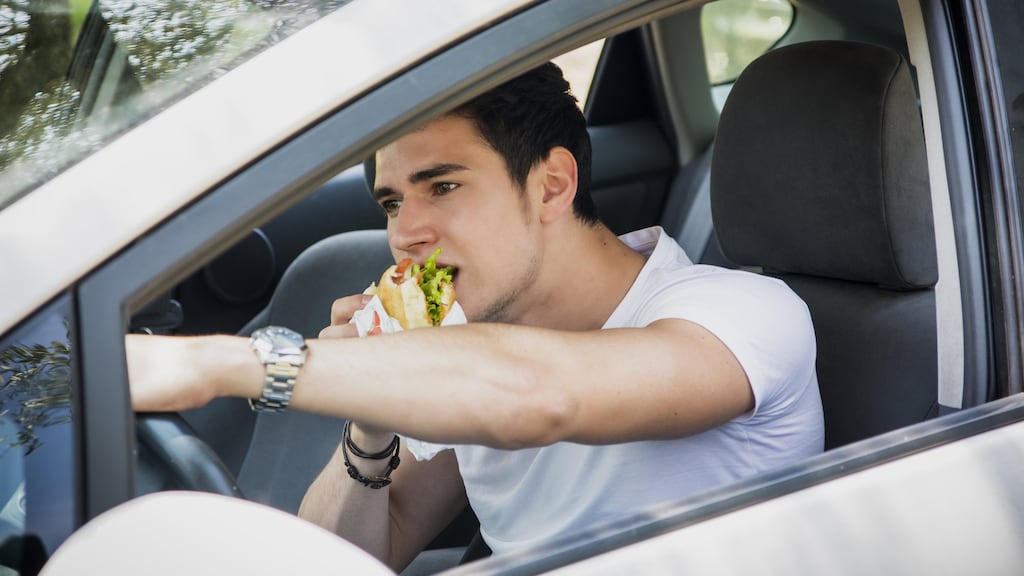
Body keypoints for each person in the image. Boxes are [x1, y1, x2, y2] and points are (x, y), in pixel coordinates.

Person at [127, 62, 823, 571]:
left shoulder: (740, 313)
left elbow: (542, 395)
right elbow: (345, 560)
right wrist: (372, 419)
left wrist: (222, 363)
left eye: (443, 186)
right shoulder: (470, 347)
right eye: (393, 202)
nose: (406, 234)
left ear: (551, 186)